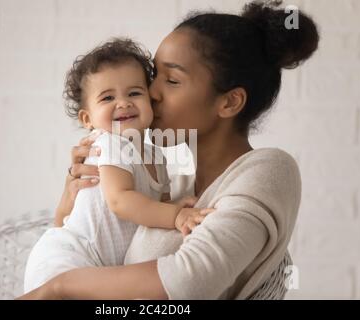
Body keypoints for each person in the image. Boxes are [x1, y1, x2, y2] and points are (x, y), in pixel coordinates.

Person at [18, 0, 319, 300]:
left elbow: (190, 283)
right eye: (154, 77)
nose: (151, 93)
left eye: (172, 80)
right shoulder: (174, 189)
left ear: (229, 102)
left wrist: (60, 288)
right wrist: (72, 204)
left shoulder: (268, 169)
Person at [23, 38, 213, 293]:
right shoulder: (112, 144)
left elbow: (152, 209)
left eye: (134, 93)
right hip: (68, 259)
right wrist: (176, 216)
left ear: (150, 100)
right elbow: (120, 201)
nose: (123, 103)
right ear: (87, 118)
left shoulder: (157, 157)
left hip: (100, 269)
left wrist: (176, 206)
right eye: (108, 97)